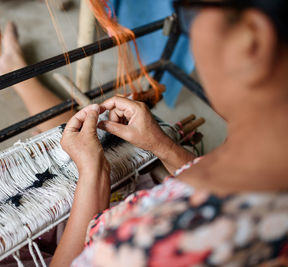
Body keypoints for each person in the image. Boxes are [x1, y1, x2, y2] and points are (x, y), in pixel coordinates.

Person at [49, 0, 288, 266]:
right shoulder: (260, 164)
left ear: (251, 39)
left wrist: (94, 172)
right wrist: (160, 144)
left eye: (190, 13)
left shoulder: (147, 245)